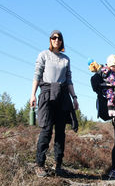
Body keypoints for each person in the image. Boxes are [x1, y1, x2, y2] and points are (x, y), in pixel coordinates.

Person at [30, 30, 79, 177]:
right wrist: (32, 94)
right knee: (46, 130)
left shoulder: (66, 59)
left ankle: (58, 165)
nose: (56, 40)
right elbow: (37, 75)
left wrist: (74, 97)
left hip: (63, 96)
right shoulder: (43, 55)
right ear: (50, 40)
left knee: (60, 133)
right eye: (54, 37)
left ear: (62, 41)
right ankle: (39, 165)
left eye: (59, 38)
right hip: (46, 94)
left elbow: (69, 79)